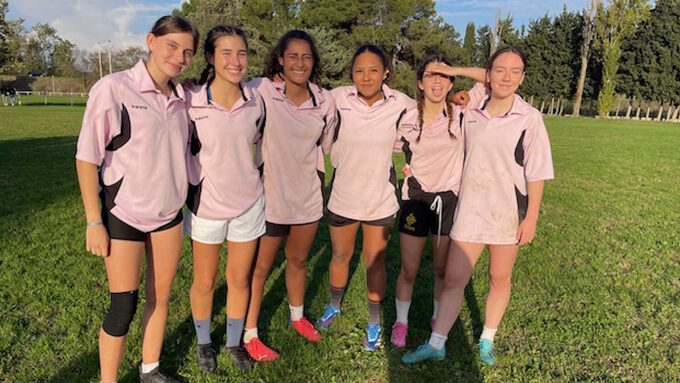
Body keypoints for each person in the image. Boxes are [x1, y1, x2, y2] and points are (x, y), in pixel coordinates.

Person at [402, 46, 554, 365]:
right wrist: (455, 72)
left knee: (500, 278)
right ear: (488, 74)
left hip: (508, 213)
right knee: (455, 278)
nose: (506, 77)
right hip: (470, 209)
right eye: (499, 70)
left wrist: (532, 217)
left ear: (523, 77)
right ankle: (437, 343)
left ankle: (487, 338)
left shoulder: (529, 118)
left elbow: (537, 171)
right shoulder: (472, 106)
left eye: (515, 72)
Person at [75, 15, 198, 383]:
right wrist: (94, 222)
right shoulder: (113, 88)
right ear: (151, 41)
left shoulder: (183, 97)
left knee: (160, 298)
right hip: (123, 215)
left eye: (188, 52)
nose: (179, 56)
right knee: (123, 305)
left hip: (168, 215)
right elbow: (86, 157)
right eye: (172, 46)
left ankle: (150, 370)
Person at [243, 30, 337, 362]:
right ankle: (250, 334)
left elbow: (329, 143)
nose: (300, 62)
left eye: (306, 56)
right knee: (259, 268)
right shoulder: (260, 90)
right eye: (293, 56)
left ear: (314, 61)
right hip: (268, 196)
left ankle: (297, 317)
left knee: (298, 261)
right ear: (280, 58)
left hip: (307, 197)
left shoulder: (325, 100)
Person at [314, 44, 415, 351]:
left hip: (379, 199)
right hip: (343, 195)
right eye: (359, 70)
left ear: (386, 72)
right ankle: (334, 304)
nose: (366, 77)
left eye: (374, 70)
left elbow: (435, 106)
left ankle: (374, 322)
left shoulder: (402, 103)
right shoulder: (336, 98)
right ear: (351, 73)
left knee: (375, 261)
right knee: (340, 256)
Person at [184, 25, 265, 373]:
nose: (236, 61)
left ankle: (233, 343)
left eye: (242, 53)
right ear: (210, 58)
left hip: (249, 203)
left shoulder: (256, 98)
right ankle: (204, 343)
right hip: (207, 206)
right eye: (226, 53)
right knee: (204, 280)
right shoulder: (191, 100)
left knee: (240, 280)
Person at [390, 55, 486, 349]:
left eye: (443, 76)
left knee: (443, 270)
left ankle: (436, 317)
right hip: (416, 199)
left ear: (451, 82)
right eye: (430, 75)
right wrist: (403, 168)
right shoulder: (406, 116)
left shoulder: (461, 111)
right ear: (419, 83)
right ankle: (401, 322)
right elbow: (383, 145)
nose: (437, 80)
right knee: (409, 268)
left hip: (449, 199)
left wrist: (453, 70)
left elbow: (490, 77)